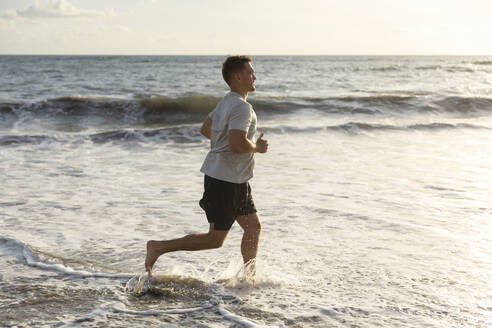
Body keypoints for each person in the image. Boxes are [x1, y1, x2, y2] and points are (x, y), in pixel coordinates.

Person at [144, 55, 268, 277]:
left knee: (253, 227)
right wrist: (257, 148)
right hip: (225, 181)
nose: (254, 76)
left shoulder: (226, 102)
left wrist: (222, 148)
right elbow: (238, 143)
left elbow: (206, 128)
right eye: (250, 72)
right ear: (237, 77)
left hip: (234, 178)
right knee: (215, 239)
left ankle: (250, 278)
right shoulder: (241, 107)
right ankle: (158, 247)